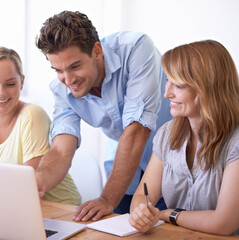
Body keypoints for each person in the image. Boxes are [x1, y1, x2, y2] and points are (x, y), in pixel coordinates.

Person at [35, 10, 172, 221]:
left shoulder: (136, 49)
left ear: (97, 51)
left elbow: (137, 130)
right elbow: (61, 151)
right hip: (126, 169)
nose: (68, 79)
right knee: (121, 228)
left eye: (75, 66)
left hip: (172, 161)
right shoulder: (62, 89)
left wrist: (107, 199)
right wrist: (38, 181)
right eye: (58, 70)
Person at [128, 40, 239, 236]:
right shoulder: (167, 135)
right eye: (167, 81)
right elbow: (141, 197)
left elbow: (224, 223)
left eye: (177, 85)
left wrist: (169, 214)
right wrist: (140, 213)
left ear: (207, 87)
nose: (166, 93)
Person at [0, 46, 81, 205]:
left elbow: (26, 189)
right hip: (7, 209)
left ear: (21, 82)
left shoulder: (32, 115)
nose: (1, 93)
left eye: (10, 84)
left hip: (60, 212)